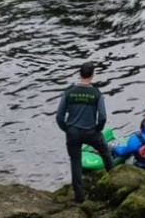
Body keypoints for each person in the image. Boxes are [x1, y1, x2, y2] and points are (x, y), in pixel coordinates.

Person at [56, 62, 114, 203]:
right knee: (106, 153)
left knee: (75, 162)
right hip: (91, 132)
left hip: (73, 132)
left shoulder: (68, 92)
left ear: (79, 74)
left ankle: (79, 196)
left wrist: (67, 129)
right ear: (92, 75)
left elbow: (59, 116)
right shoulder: (96, 94)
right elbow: (103, 117)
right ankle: (113, 181)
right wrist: (98, 129)